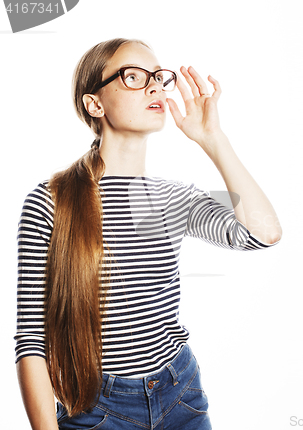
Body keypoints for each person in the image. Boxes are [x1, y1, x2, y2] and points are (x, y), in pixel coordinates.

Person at [15, 37, 282, 430]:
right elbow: (32, 341)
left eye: (158, 77)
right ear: (95, 103)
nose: (154, 86)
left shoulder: (175, 197)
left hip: (180, 395)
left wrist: (213, 139)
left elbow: (263, 233)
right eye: (135, 77)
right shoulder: (50, 200)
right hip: (97, 408)